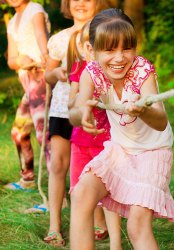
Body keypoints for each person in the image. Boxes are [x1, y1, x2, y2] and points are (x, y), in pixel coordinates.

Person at [69, 8, 174, 250]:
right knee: (81, 194)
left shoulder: (143, 70)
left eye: (126, 48)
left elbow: (160, 121)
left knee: (137, 225)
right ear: (93, 51)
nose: (119, 57)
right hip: (120, 151)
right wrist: (83, 112)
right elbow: (76, 112)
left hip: (153, 152)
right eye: (109, 49)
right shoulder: (92, 72)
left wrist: (143, 110)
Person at [43, 0, 109, 246]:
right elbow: (47, 74)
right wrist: (57, 74)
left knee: (94, 166)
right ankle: (54, 226)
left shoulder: (105, 31)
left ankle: (98, 221)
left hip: (93, 111)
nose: (80, 3)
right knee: (59, 165)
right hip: (63, 109)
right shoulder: (60, 39)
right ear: (67, 4)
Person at [67, 22, 122, 248]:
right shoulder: (80, 71)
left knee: (110, 196)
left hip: (106, 143)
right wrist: (82, 106)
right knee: (79, 193)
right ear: (86, 48)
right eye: (89, 47)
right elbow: (72, 104)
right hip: (80, 143)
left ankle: (116, 243)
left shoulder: (113, 71)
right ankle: (84, 235)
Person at [4, 0, 51, 191]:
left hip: (39, 76)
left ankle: (59, 195)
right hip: (27, 81)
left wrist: (46, 58)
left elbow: (41, 37)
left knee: (44, 135)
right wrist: (19, 60)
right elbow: (11, 60)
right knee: (19, 131)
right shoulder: (13, 21)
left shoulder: (35, 10)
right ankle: (28, 178)